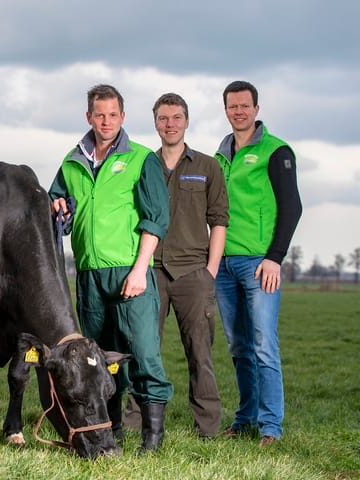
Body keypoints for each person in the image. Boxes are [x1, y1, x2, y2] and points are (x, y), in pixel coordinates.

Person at [48, 84, 173, 453]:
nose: (106, 121)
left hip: (129, 272)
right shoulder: (72, 162)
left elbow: (156, 219)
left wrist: (139, 270)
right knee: (99, 360)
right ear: (89, 117)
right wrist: (57, 207)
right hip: (89, 275)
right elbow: (59, 206)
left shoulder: (140, 158)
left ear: (123, 117)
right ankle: (110, 432)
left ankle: (152, 441)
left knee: (144, 354)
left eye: (113, 115)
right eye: (99, 115)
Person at [122, 93, 229, 438]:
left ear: (187, 121)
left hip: (193, 273)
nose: (170, 124)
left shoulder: (207, 166)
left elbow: (219, 221)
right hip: (150, 273)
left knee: (200, 355)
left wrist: (210, 272)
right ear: (155, 122)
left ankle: (207, 430)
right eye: (164, 118)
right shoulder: (141, 164)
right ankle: (136, 424)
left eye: (177, 117)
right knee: (142, 351)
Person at [214, 81, 302, 447]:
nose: (239, 112)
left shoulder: (276, 150)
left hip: (260, 264)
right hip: (223, 265)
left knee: (264, 344)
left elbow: (292, 207)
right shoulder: (220, 156)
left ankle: (271, 427)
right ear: (226, 110)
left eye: (245, 106)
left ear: (256, 109)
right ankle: (245, 417)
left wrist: (275, 258)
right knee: (238, 347)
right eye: (233, 106)